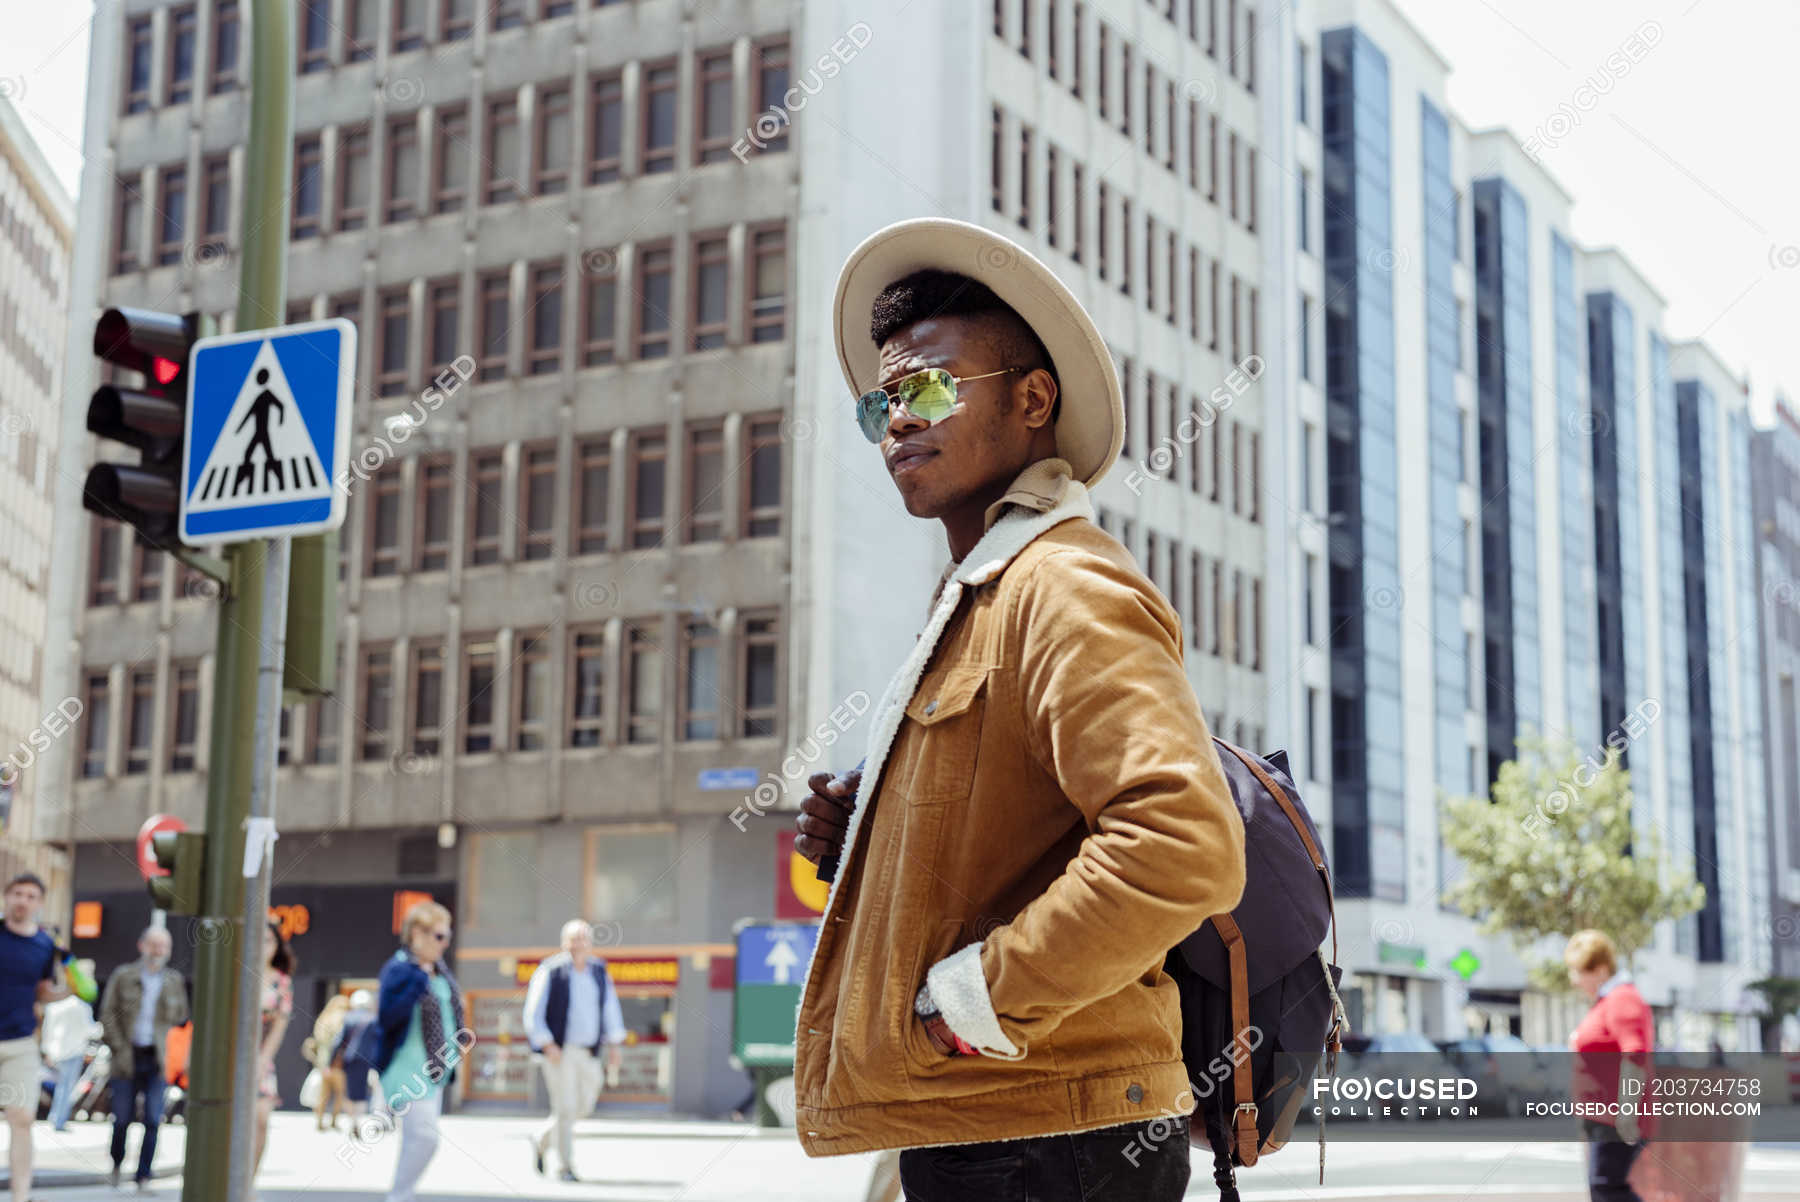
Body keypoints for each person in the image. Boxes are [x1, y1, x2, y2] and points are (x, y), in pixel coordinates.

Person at [790, 219, 1246, 1201]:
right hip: (997, 1125)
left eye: (927, 388)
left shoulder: (1063, 584)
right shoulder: (986, 593)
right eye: (882, 404)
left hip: (1048, 1136)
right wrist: (875, 836)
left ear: (1035, 399)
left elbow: (1183, 843)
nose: (898, 420)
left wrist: (976, 1001)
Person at [373, 901, 467, 1202]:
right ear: (416, 933)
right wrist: (417, 980)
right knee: (426, 1139)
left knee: (417, 1139)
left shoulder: (440, 971)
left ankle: (402, 1194)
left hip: (435, 1069)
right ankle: (399, 1196)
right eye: (439, 936)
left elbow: (451, 1014)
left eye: (447, 936)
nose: (445, 944)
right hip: (406, 1067)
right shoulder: (401, 969)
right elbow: (387, 1017)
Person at [522, 919, 625, 1182]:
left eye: (583, 938)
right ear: (564, 942)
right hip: (560, 1051)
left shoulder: (599, 972)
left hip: (589, 1051)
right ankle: (565, 1166)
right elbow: (533, 1012)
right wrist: (547, 1043)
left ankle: (542, 1139)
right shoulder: (551, 970)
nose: (578, 944)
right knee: (566, 1107)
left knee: (585, 1104)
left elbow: (610, 1009)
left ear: (590, 943)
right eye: (574, 938)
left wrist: (615, 1044)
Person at [1566, 929, 1655, 1202]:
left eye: (1580, 972)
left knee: (1608, 1189)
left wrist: (1627, 1114)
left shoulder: (1622, 999)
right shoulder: (1606, 1001)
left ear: (1601, 969)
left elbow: (1636, 1055)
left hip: (1614, 1116)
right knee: (1602, 1188)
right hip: (1601, 1116)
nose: (1575, 980)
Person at [98, 927, 188, 1190]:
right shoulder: (123, 976)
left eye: (163, 946)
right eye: (153, 945)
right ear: (142, 945)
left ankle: (143, 1177)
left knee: (152, 1118)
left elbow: (181, 1017)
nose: (157, 951)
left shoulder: (173, 981)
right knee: (122, 1117)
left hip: (157, 1058)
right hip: (127, 1055)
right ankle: (117, 1165)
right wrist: (118, 1047)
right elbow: (107, 1014)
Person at [0, 873, 66, 1202]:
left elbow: (42, 993)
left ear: (38, 903)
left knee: (23, 1119)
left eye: (30, 895)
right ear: (7, 897)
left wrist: (69, 990)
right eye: (17, 893)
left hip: (20, 1042)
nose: (22, 900)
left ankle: (20, 1196)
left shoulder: (45, 946)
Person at [251, 921, 294, 1184]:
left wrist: (262, 1059)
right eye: (260, 939)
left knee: (261, 1119)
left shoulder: (281, 981)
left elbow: (280, 1024)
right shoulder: (236, 972)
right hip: (230, 1056)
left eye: (269, 940)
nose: (264, 945)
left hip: (261, 1059)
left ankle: (247, 1182)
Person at [39, 970, 95, 1131]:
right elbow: (89, 1030)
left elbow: (47, 1031)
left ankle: (56, 1118)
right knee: (66, 1087)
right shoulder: (82, 1007)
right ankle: (58, 1120)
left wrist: (46, 1050)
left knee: (61, 1086)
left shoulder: (55, 1006)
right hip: (73, 1052)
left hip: (57, 1052)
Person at [330, 990, 378, 1129]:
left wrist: (331, 1061)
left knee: (350, 1091)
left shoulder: (348, 1017)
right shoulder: (373, 1018)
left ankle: (353, 1121)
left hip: (350, 1059)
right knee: (363, 1091)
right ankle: (358, 1119)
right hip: (368, 1060)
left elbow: (338, 1041)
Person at [308, 994, 351, 1131]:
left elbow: (318, 1039)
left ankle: (319, 1120)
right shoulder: (343, 1018)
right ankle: (333, 1121)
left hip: (323, 1061)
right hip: (338, 1062)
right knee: (339, 1093)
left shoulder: (323, 1018)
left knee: (323, 1093)